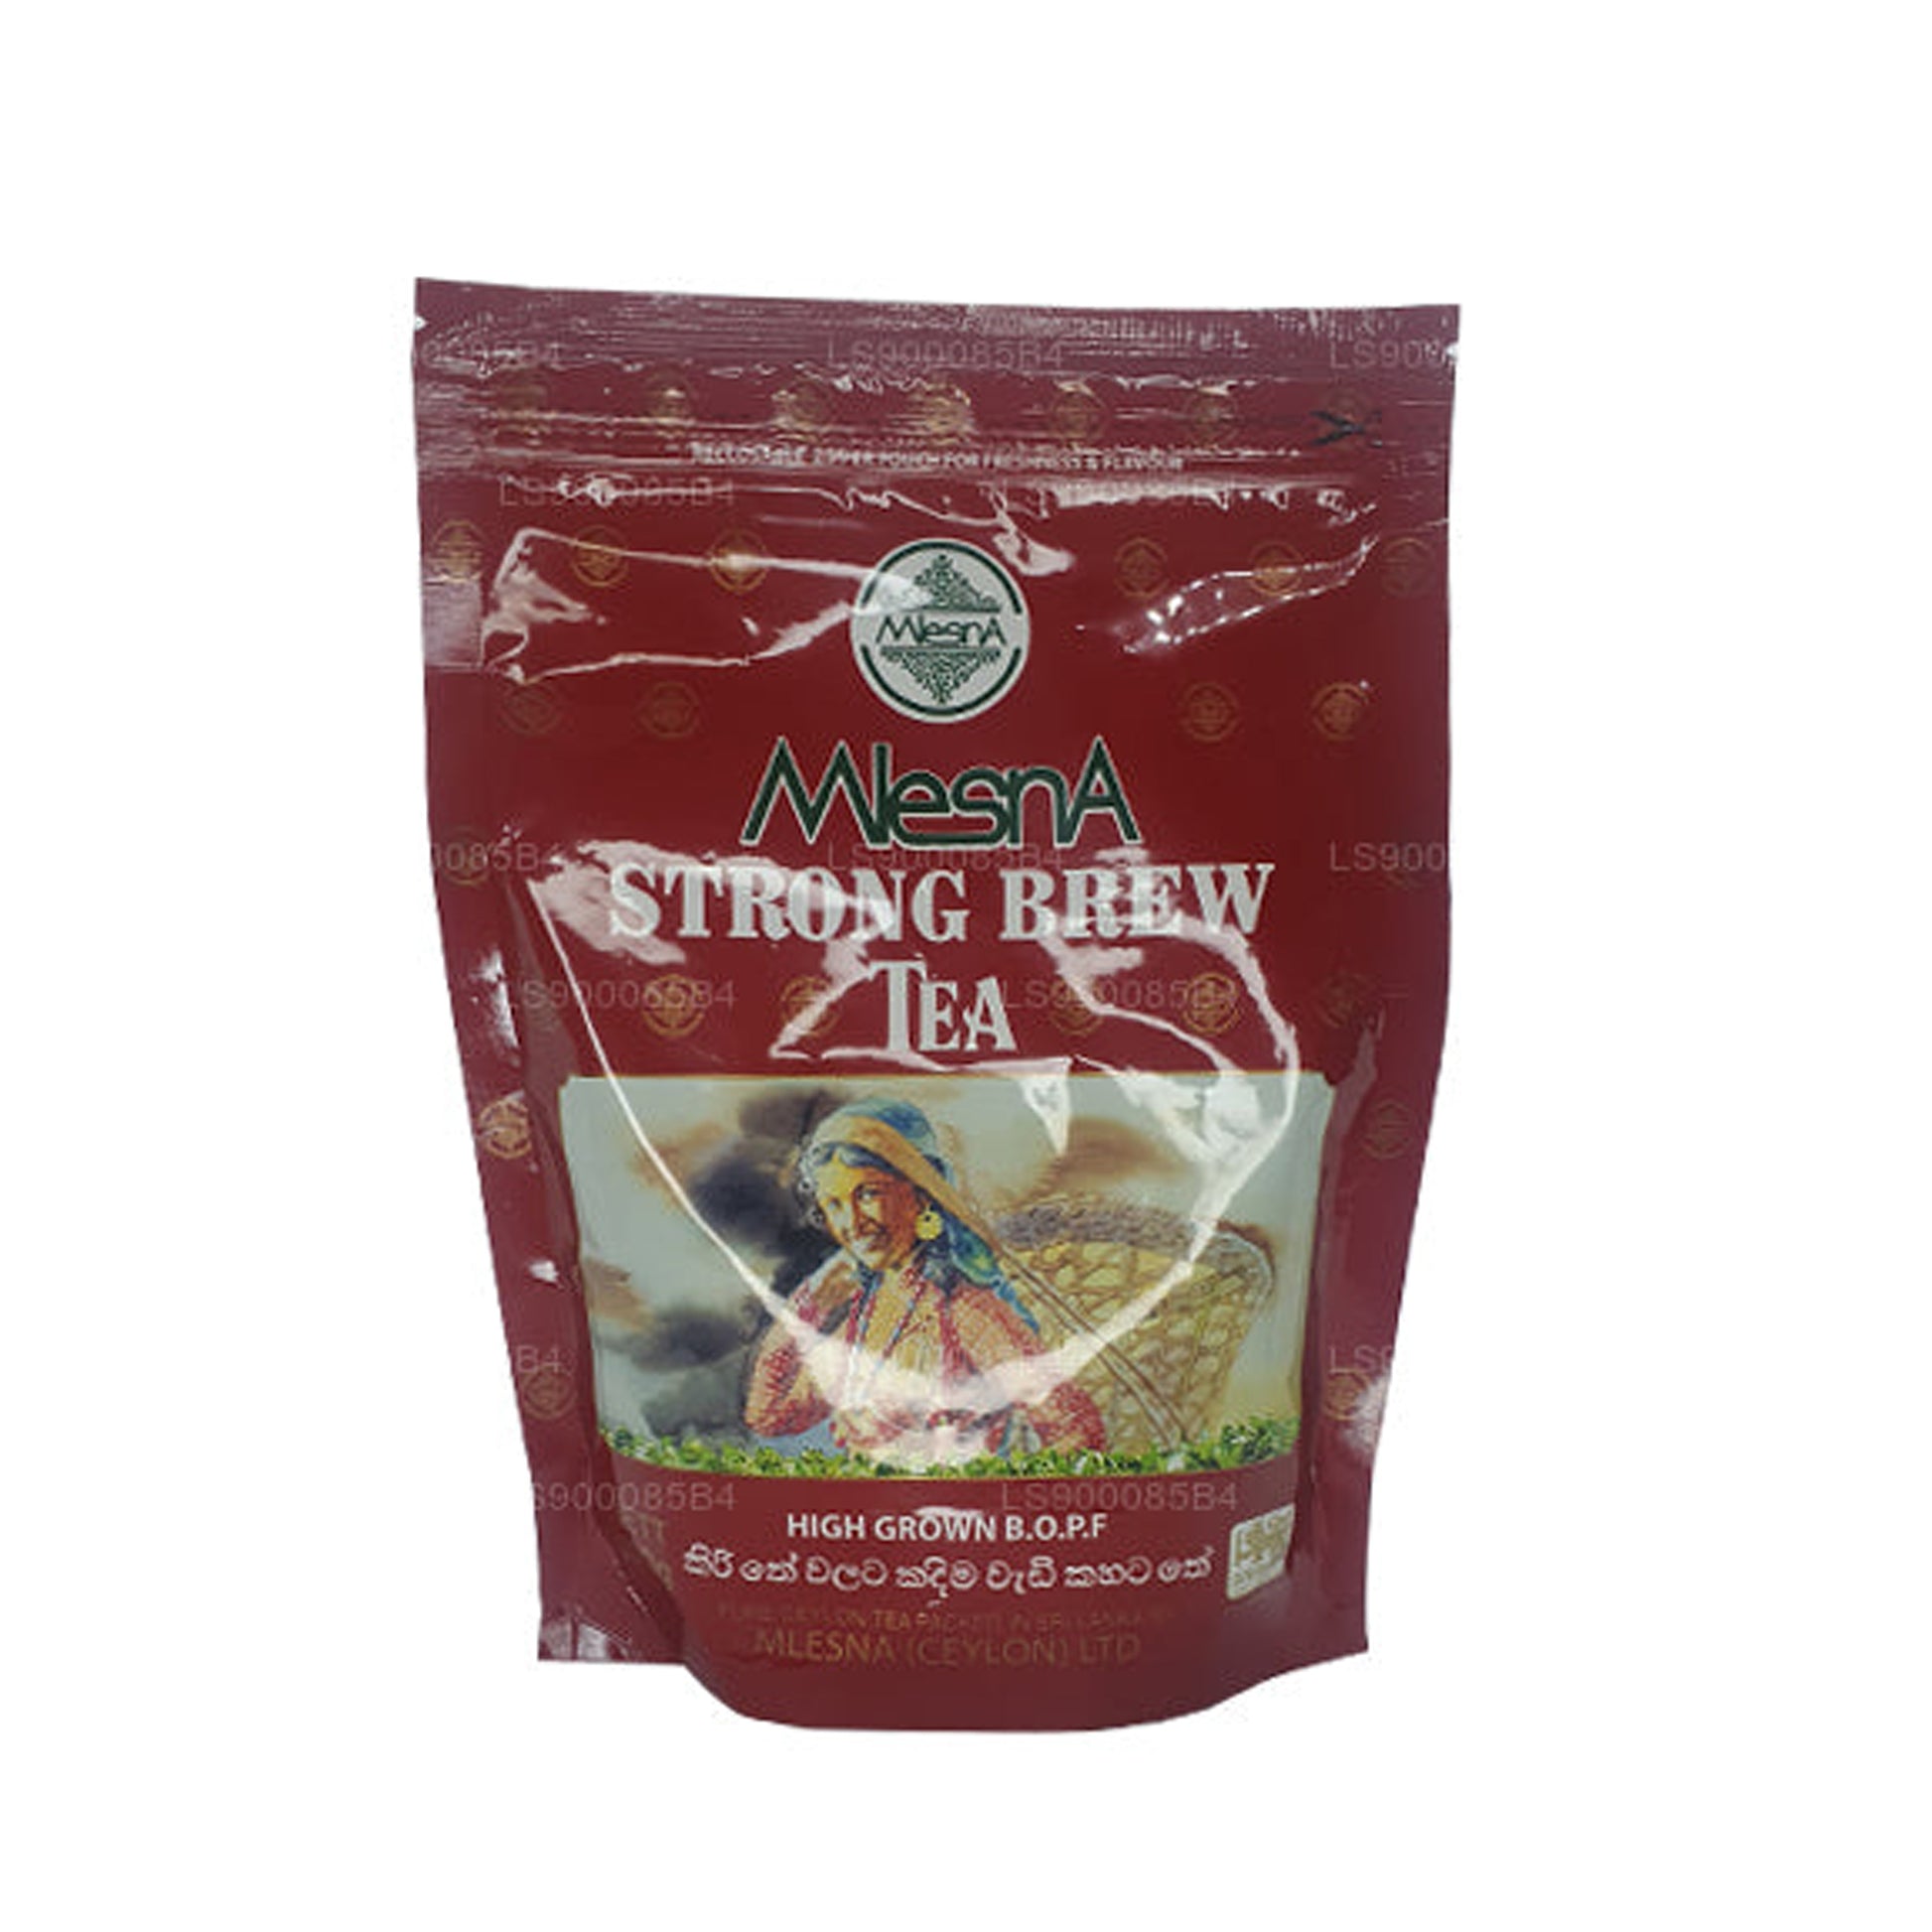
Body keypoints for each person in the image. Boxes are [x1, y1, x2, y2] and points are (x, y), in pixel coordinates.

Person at [745, 1099, 1105, 1466]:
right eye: (834, 1205)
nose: (852, 1223)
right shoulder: (861, 1321)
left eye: (868, 1194)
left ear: (921, 1195)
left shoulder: (966, 1313)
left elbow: (1076, 1429)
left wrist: (994, 1492)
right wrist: (807, 1306)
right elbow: (769, 1416)